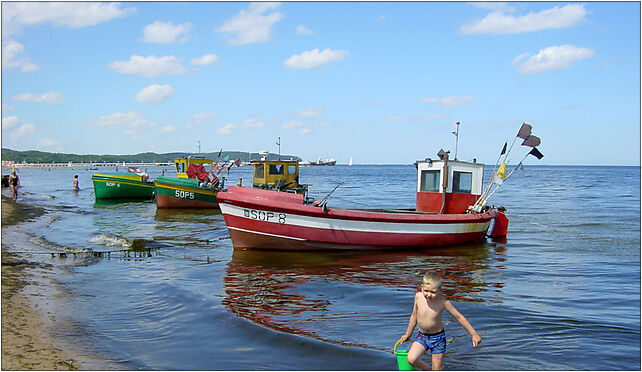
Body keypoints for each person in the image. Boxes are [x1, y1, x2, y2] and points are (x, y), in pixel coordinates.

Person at [399, 271, 482, 370]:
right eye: (426, 291)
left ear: (439, 290)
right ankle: (427, 369)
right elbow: (414, 316)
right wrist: (408, 334)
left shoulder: (443, 302)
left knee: (437, 369)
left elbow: (459, 317)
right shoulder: (418, 297)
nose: (429, 295)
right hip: (422, 336)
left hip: (437, 338)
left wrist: (473, 334)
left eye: (433, 292)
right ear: (421, 287)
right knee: (411, 359)